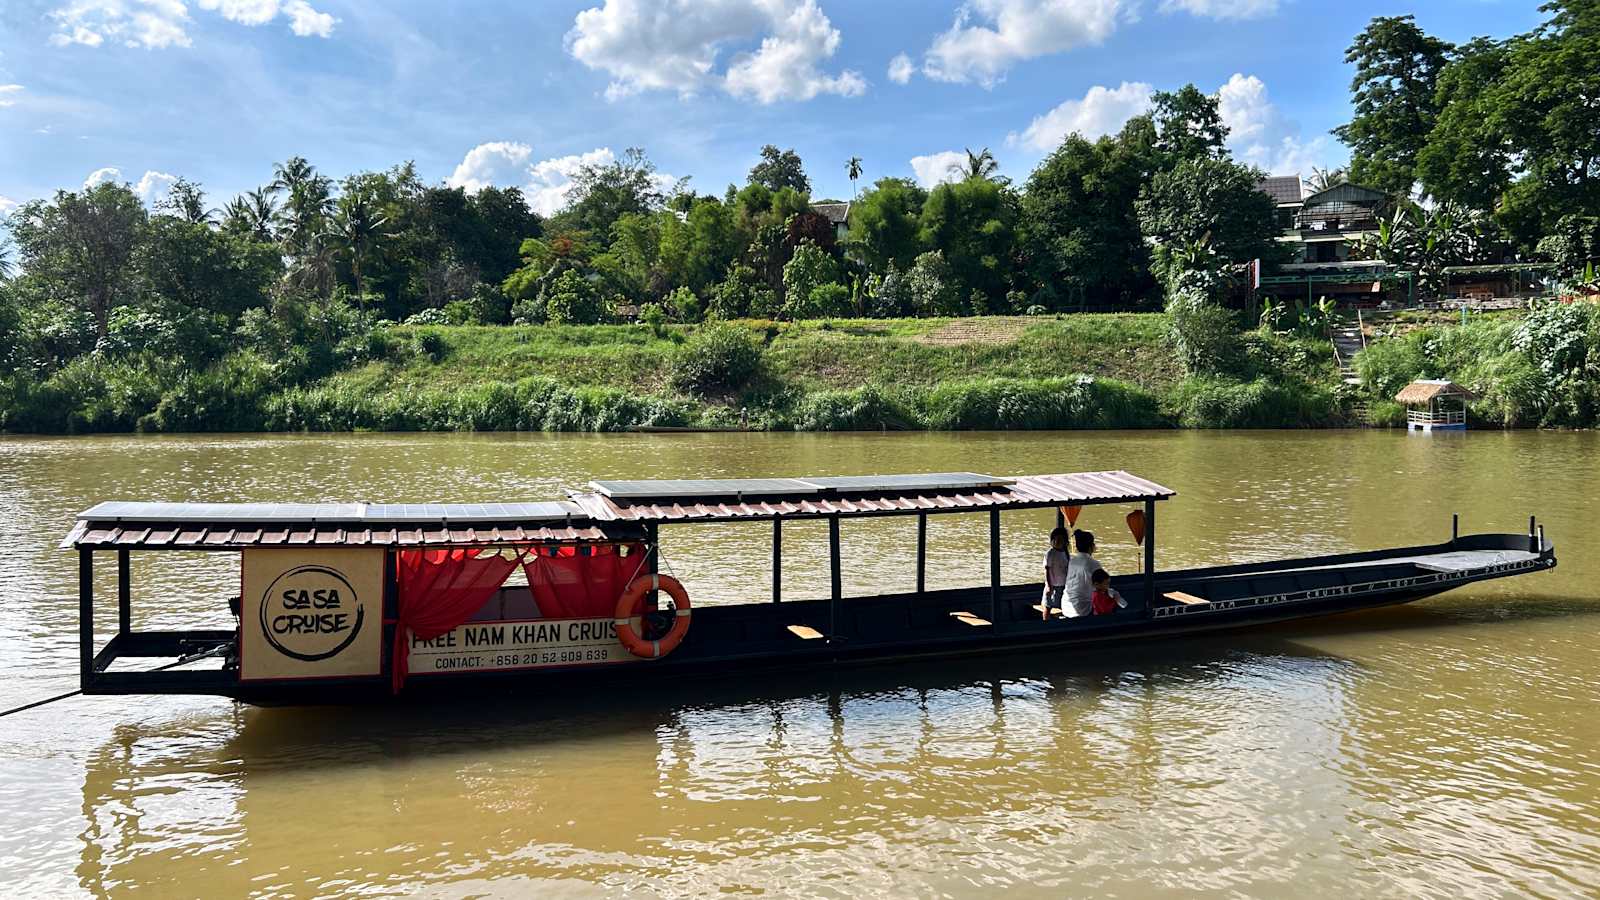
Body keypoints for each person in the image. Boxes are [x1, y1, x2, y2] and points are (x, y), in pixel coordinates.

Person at [1063, 530, 1102, 618]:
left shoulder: (1072, 561)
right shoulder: (1093, 563)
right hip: (1082, 609)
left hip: (1065, 605)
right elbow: (1102, 585)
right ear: (1091, 546)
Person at [1041, 526, 1070, 619]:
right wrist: (1049, 585)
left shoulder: (1065, 553)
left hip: (1063, 584)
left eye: (1060, 540)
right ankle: (1046, 623)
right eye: (1054, 539)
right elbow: (1047, 570)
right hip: (1052, 585)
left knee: (1064, 606)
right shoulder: (1050, 553)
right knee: (1048, 606)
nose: (1057, 542)